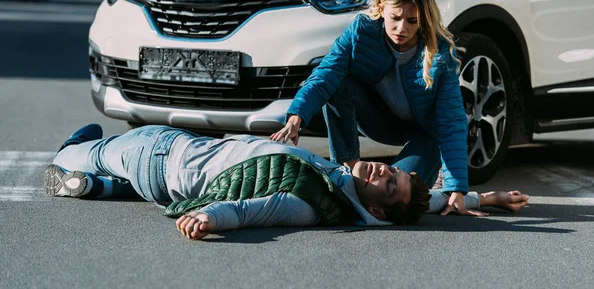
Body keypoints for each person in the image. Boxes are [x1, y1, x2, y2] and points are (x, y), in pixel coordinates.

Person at [44, 124, 529, 240]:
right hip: (168, 180)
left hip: (163, 151)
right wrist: (485, 196)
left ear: (377, 211)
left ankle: (82, 162)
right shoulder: (341, 188)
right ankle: (98, 187)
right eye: (394, 171)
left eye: (387, 185)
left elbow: (259, 209)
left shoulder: (310, 203)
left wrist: (209, 218)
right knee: (124, 180)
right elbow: (428, 199)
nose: (384, 171)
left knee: (81, 150)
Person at [271, 0, 471, 216]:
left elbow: (451, 121)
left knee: (394, 200)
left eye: (412, 21)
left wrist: (457, 188)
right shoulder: (360, 32)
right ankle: (347, 168)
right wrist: (296, 118)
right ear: (381, 8)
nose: (402, 28)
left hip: (424, 137)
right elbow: (325, 75)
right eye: (395, 18)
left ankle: (475, 194)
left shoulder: (439, 53)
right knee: (338, 83)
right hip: (378, 120)